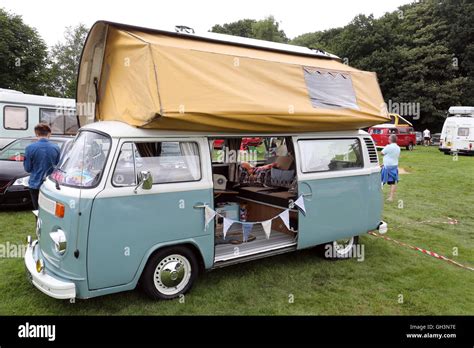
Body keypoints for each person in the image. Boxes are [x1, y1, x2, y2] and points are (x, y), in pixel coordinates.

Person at [23, 124, 61, 210]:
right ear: (49, 134)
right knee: (49, 211)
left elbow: (27, 168)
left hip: (35, 183)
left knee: (37, 210)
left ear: (36, 134)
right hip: (50, 184)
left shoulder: (30, 148)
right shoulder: (56, 148)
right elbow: (58, 167)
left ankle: (38, 222)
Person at [381, 134, 401, 202]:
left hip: (387, 167)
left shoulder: (388, 147)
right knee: (392, 183)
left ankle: (377, 195)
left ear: (390, 140)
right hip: (394, 166)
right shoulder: (398, 147)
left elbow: (382, 153)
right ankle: (391, 197)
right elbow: (393, 156)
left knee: (380, 181)